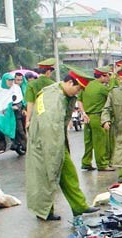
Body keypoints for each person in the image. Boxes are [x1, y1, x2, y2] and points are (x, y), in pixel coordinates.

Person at [26, 68, 99, 222]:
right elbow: (49, 127)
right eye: (77, 88)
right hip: (45, 143)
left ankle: (79, 206)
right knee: (45, 176)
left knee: (68, 173)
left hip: (55, 140)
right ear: (69, 82)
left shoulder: (61, 93)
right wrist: (54, 151)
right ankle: (44, 211)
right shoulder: (53, 98)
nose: (77, 92)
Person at [77, 66, 114, 172]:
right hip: (97, 117)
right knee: (100, 142)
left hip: (87, 117)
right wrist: (113, 81)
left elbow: (79, 101)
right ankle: (102, 164)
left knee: (88, 142)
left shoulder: (86, 85)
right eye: (107, 76)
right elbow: (112, 96)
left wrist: (83, 113)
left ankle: (86, 162)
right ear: (102, 76)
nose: (108, 78)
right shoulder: (102, 88)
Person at [25, 58, 56, 128]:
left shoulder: (31, 84)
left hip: (37, 117)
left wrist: (27, 121)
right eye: (51, 72)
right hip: (51, 117)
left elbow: (30, 104)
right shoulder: (54, 85)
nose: (51, 74)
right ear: (48, 72)